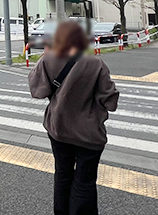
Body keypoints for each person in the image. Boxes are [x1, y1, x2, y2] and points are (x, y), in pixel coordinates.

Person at [28, 21, 119, 215]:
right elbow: (110, 100)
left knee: (62, 174)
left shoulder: (48, 59)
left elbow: (37, 90)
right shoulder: (95, 63)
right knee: (84, 180)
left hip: (58, 129)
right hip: (89, 133)